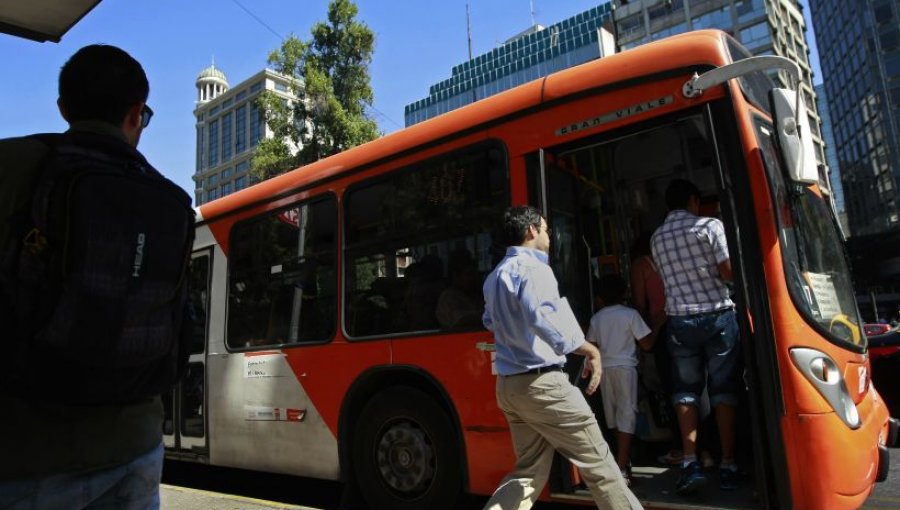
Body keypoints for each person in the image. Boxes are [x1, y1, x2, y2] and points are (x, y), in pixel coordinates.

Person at [0, 45, 187, 510]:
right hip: (136, 443)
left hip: (26, 452)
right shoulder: (172, 200)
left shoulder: (15, 165)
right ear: (135, 114)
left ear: (63, 107)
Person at [480, 205, 642, 510]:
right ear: (531, 231)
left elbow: (489, 321)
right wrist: (589, 349)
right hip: (545, 385)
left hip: (509, 387)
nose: (549, 237)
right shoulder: (536, 269)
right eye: (546, 229)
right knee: (601, 465)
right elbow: (543, 318)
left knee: (526, 473)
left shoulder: (494, 277)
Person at [650, 179, 741, 495]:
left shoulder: (657, 237)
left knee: (685, 392)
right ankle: (727, 463)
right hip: (717, 315)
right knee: (724, 389)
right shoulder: (710, 226)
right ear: (693, 201)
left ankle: (690, 462)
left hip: (680, 321)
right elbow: (728, 271)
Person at [586, 274, 652, 485]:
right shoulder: (630, 314)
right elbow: (647, 344)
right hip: (626, 369)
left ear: (600, 299)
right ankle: (622, 467)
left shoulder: (597, 318)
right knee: (627, 414)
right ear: (625, 293)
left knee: (612, 416)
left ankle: (623, 461)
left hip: (604, 369)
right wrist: (658, 323)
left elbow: (590, 346)